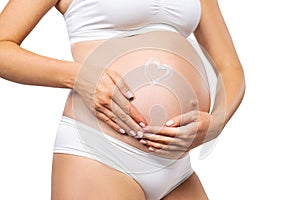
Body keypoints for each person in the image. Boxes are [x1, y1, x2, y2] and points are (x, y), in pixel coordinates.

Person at [0, 0, 245, 199]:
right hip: (100, 154)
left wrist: (217, 120)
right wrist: (77, 76)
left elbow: (229, 67)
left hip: (177, 168)